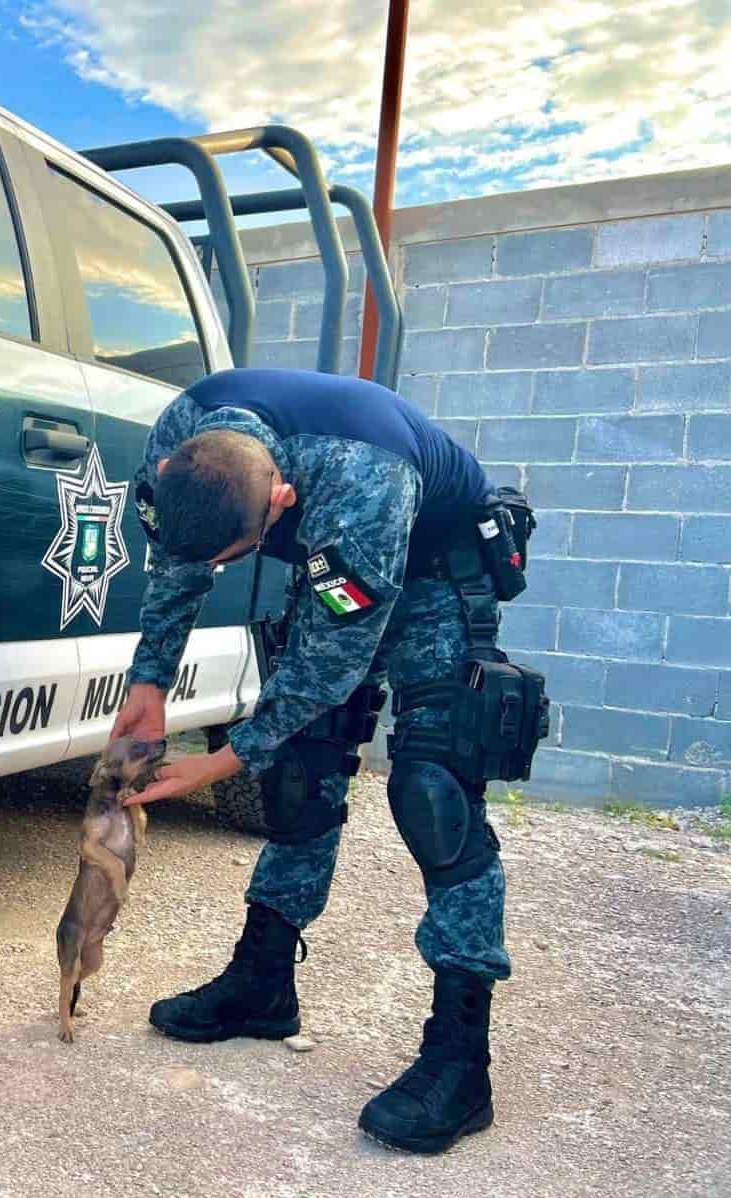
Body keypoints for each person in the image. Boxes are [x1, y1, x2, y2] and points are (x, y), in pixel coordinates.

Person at [110, 365, 545, 1154]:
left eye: (237, 558)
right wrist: (150, 680)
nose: (225, 570)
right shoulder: (180, 438)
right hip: (338, 557)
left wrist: (223, 759)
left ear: (278, 503)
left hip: (430, 567)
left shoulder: (358, 480)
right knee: (299, 772)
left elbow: (331, 665)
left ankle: (461, 1059)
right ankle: (263, 983)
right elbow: (178, 563)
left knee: (433, 789)